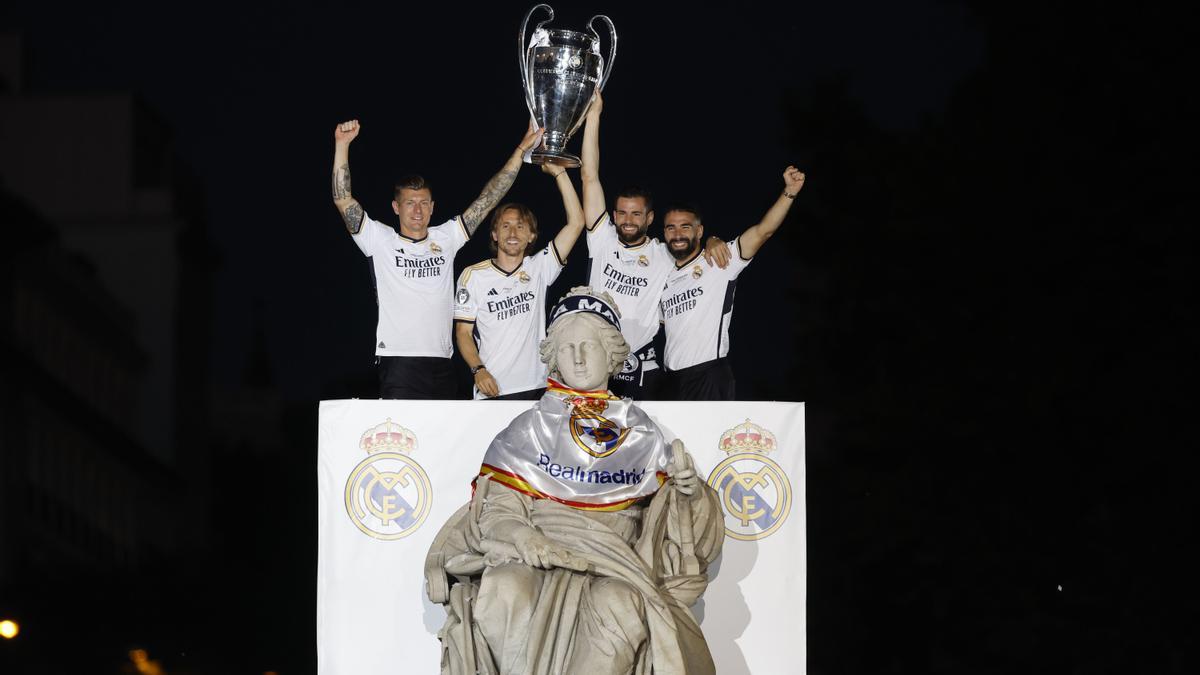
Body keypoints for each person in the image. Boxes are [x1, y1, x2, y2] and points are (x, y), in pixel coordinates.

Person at [424, 288, 724, 675]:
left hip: (615, 562)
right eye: (567, 348)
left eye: (589, 346)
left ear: (612, 352)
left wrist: (690, 493)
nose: (579, 358)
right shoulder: (529, 426)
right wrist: (522, 536)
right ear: (554, 358)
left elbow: (680, 529)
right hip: (538, 552)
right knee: (504, 587)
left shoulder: (641, 431)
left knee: (619, 602)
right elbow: (497, 507)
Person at [331, 118, 544, 399]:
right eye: (410, 203)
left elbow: (489, 199)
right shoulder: (379, 240)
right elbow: (343, 200)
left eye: (423, 204)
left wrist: (520, 151)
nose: (417, 211)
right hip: (399, 362)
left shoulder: (447, 237)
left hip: (443, 363)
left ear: (432, 207)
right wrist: (342, 145)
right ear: (396, 207)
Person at [579, 90, 729, 398]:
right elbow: (589, 177)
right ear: (614, 215)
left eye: (636, 213)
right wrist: (594, 116)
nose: (628, 219)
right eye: (622, 212)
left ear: (649, 218)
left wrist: (713, 238)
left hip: (644, 368)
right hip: (595, 366)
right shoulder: (602, 239)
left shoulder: (664, 253)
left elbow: (692, 244)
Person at [660, 166, 806, 400]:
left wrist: (789, 192)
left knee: (707, 438)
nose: (677, 234)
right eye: (671, 227)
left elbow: (762, 231)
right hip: (671, 380)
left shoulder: (719, 260)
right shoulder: (663, 274)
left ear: (699, 231)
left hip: (708, 375)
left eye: (685, 227)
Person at [454, 164, 586, 399]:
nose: (512, 233)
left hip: (536, 387)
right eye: (505, 226)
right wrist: (478, 370)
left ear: (531, 236)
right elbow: (463, 332)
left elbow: (576, 222)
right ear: (494, 234)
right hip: (491, 389)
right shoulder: (473, 275)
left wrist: (559, 173)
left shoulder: (539, 267)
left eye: (520, 227)